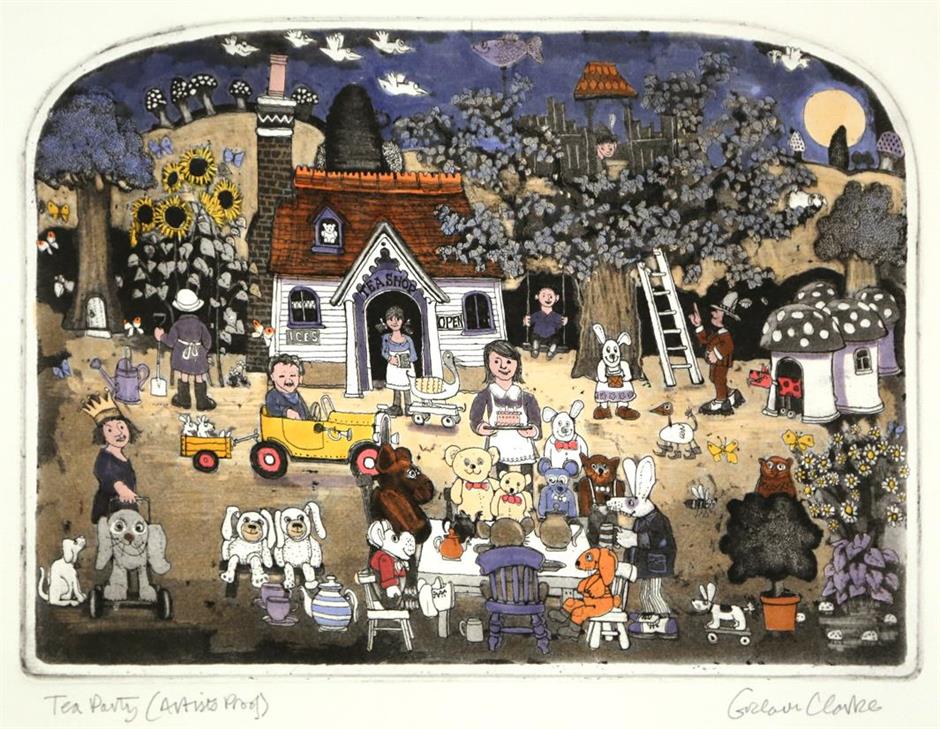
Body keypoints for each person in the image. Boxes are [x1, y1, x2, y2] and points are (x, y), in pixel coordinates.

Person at [469, 340, 541, 477]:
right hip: (498, 444)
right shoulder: (485, 395)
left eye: (508, 362)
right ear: (488, 364)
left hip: (522, 445)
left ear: (517, 365)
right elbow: (475, 417)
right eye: (497, 361)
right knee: (501, 477)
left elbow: (536, 420)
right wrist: (480, 427)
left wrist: (533, 430)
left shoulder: (527, 397)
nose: (503, 366)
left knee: (526, 478)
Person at [82, 392, 140, 525]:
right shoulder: (104, 458)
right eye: (110, 430)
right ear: (102, 435)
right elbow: (106, 475)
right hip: (108, 511)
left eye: (121, 426)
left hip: (125, 509)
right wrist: (120, 487)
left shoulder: (123, 457)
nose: (118, 433)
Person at [154, 289, 215, 411]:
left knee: (184, 375)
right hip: (198, 356)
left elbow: (171, 342)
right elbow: (208, 341)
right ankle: (202, 403)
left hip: (182, 357)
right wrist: (203, 351)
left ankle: (184, 401)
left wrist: (161, 336)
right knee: (199, 376)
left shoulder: (177, 325)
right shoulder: (200, 325)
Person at [688, 293, 747, 416]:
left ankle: (721, 401)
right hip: (716, 362)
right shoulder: (716, 333)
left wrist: (716, 354)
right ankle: (731, 394)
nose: (713, 314)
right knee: (714, 378)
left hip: (721, 362)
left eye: (717, 312)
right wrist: (698, 325)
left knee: (718, 379)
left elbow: (728, 346)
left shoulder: (725, 334)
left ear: (726, 317)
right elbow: (705, 340)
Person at [377, 306, 418, 417]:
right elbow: (384, 352)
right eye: (390, 319)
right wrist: (390, 359)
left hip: (406, 367)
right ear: (386, 322)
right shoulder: (386, 338)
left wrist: (404, 360)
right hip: (393, 367)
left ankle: (409, 406)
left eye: (398, 319)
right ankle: (397, 406)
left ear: (402, 321)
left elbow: (414, 356)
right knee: (396, 386)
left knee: (406, 387)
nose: (394, 322)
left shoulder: (408, 339)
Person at [523, 286, 568, 360]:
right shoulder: (537, 315)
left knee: (556, 339)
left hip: (551, 336)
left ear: (557, 298)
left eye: (550, 296)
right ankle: (535, 348)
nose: (547, 299)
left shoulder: (556, 316)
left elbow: (559, 326)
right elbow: (529, 322)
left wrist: (564, 322)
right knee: (535, 337)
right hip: (538, 335)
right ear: (537, 297)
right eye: (543, 296)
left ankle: (551, 351)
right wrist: (525, 321)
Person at [264, 354, 310, 419]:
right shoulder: (272, 395)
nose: (288, 380)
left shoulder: (296, 395)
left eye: (292, 375)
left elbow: (305, 412)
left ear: (300, 378)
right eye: (282, 376)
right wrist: (286, 412)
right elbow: (272, 408)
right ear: (273, 377)